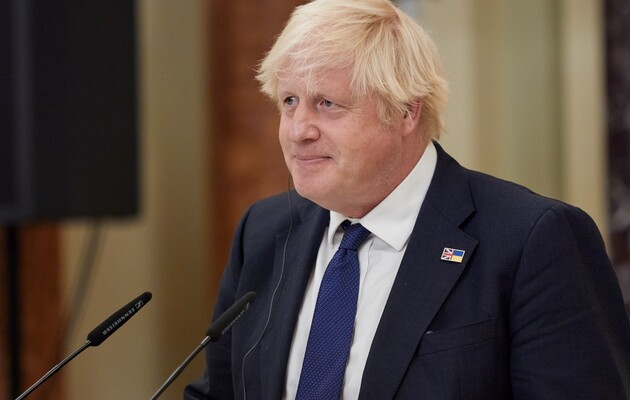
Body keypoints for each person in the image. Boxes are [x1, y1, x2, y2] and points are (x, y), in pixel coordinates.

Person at [184, 0, 630, 398]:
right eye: (289, 101)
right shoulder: (264, 231)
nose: (298, 130)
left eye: (326, 104)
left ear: (405, 111)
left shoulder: (533, 239)